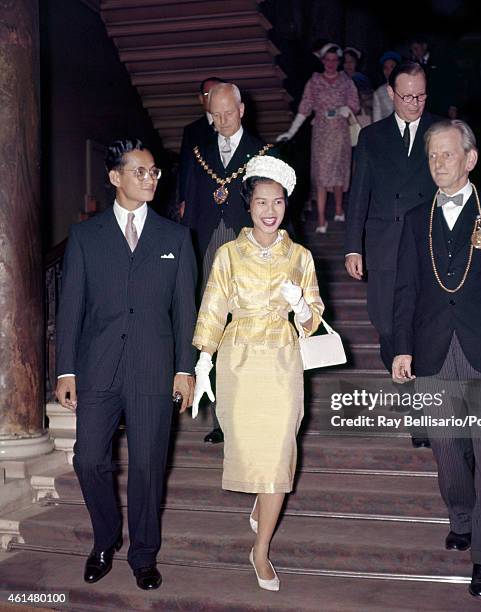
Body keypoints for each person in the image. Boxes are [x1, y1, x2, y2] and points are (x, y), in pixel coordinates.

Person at [392, 120, 481, 601]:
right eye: (432, 155)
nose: (437, 163)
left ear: (470, 159)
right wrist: (400, 347)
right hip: (434, 350)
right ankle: (462, 516)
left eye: (447, 155)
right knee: (447, 450)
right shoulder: (416, 219)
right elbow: (406, 290)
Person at [55, 138, 197, 591]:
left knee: (149, 466)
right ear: (115, 177)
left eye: (154, 172)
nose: (150, 178)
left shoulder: (175, 236)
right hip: (97, 369)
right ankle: (104, 538)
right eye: (140, 171)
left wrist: (185, 367)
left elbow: (185, 311)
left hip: (154, 370)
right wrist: (66, 370)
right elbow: (71, 308)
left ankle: (143, 555)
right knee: (88, 460)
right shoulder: (85, 236)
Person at [191, 156, 324, 592]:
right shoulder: (229, 254)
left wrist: (302, 306)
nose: (270, 210)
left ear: (287, 205)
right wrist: (203, 360)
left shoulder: (301, 257)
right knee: (251, 447)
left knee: (279, 452)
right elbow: (212, 306)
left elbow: (313, 319)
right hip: (240, 361)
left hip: (282, 360)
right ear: (248, 205)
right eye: (262, 201)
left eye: (279, 202)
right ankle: (260, 499)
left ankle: (261, 550)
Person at [345, 61, 438, 448]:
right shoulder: (371, 137)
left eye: (421, 95)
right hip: (383, 245)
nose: (415, 103)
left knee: (424, 327)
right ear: (390, 94)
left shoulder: (441, 131)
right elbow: (359, 193)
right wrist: (353, 245)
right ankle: (407, 389)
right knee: (386, 327)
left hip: (427, 243)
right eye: (407, 96)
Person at [181, 82, 275, 444]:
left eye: (228, 113)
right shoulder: (198, 152)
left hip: (249, 249)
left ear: (241, 110)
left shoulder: (263, 152)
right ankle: (223, 418)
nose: (221, 120)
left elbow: (276, 208)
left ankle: (257, 406)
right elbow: (189, 206)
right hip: (208, 250)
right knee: (213, 332)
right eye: (214, 115)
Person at [277, 43, 359, 232]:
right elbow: (305, 108)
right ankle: (321, 219)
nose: (331, 63)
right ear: (322, 61)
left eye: (334, 60)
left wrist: (347, 109)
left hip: (340, 134)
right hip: (321, 134)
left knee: (338, 172)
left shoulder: (346, 81)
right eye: (327, 60)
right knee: (321, 176)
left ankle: (339, 209)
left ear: (338, 61)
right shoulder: (314, 81)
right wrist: (291, 131)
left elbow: (354, 104)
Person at [178, 76, 225, 214]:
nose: (213, 98)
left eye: (218, 93)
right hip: (200, 200)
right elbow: (186, 169)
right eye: (208, 94)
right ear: (200, 99)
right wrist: (184, 200)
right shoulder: (192, 131)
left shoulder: (240, 127)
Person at [343, 46, 374, 129]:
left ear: (356, 63)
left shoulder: (361, 79)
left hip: (359, 117)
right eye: (345, 62)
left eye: (351, 61)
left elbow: (369, 101)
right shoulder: (340, 78)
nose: (348, 65)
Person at [372, 51, 400, 123]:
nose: (389, 71)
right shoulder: (379, 92)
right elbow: (376, 119)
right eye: (385, 68)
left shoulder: (407, 88)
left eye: (392, 67)